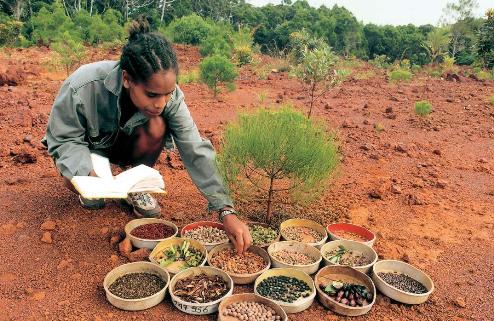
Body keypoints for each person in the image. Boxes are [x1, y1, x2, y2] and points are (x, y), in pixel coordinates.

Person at [42, 17, 252, 253]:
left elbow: (195, 147)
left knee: (157, 125)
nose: (161, 103)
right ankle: (93, 182)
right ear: (126, 79)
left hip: (129, 147)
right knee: (82, 188)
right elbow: (63, 138)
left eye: (167, 94)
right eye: (152, 95)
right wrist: (85, 172)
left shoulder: (169, 98)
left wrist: (225, 210)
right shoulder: (83, 85)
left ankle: (135, 185)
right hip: (91, 150)